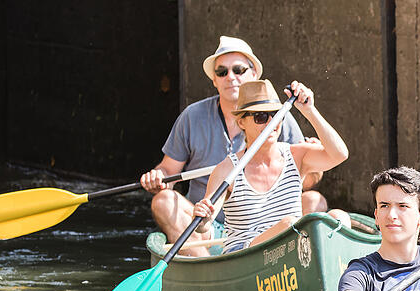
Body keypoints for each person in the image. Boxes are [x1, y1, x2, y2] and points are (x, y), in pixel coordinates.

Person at [140, 35, 327, 247]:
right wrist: (158, 177)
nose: (231, 77)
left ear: (254, 74)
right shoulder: (192, 116)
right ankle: (209, 273)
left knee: (315, 201)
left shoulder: (278, 116)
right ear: (214, 80)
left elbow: (305, 180)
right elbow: (169, 172)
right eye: (222, 72)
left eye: (239, 70)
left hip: (265, 223)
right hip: (204, 227)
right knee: (163, 200)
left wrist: (314, 164)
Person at [191, 79, 349, 255]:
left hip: (290, 252)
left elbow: (340, 155)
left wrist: (309, 110)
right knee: (288, 225)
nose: (271, 123)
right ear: (242, 122)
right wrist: (202, 219)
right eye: (261, 117)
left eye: (276, 115)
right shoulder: (227, 170)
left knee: (339, 218)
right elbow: (204, 225)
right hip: (245, 256)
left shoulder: (297, 155)